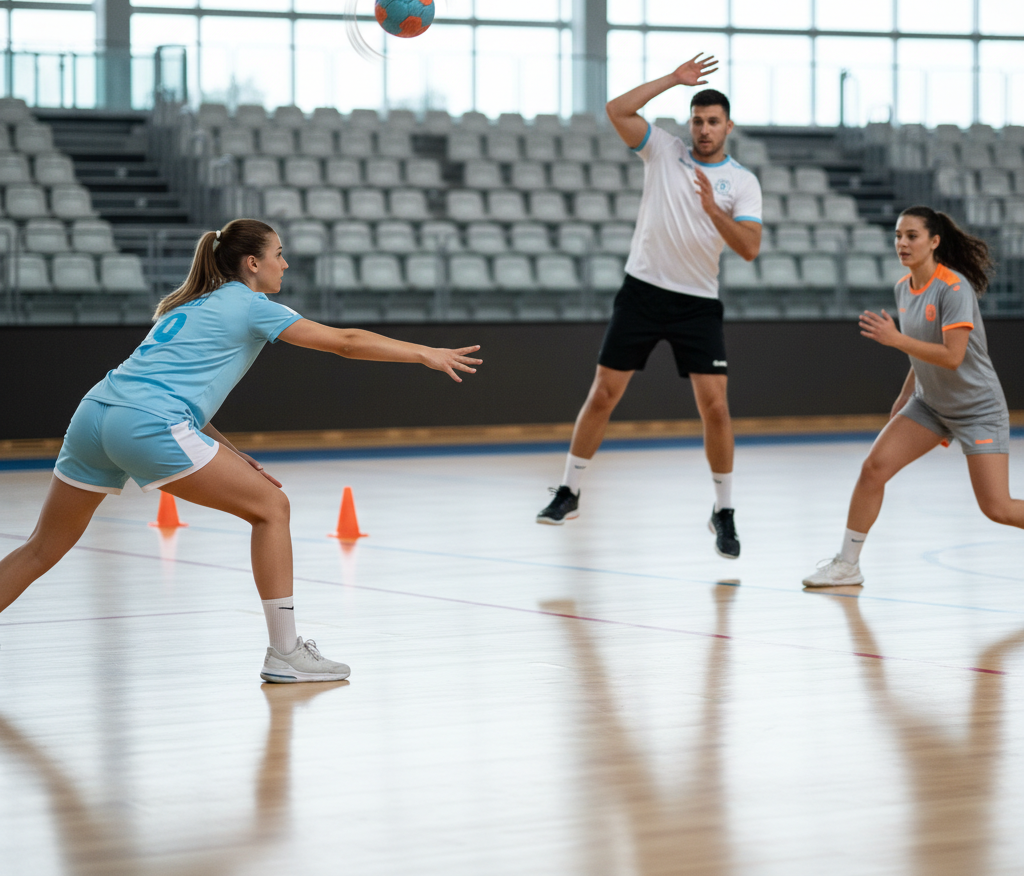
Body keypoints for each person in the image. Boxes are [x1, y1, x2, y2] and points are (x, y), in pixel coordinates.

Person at [0, 219, 482, 681]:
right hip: (148, 423)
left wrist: (227, 451)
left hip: (95, 414)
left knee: (41, 548)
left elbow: (170, 389)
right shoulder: (250, 306)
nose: (285, 264)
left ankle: (287, 653)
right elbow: (346, 343)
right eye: (278, 254)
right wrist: (425, 353)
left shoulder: (186, 307)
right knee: (272, 508)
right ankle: (287, 654)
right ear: (252, 263)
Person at [536, 54, 763, 560]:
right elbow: (617, 110)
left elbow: (749, 248)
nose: (704, 129)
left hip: (698, 303)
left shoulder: (741, 182)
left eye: (713, 122)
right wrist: (672, 80)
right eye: (697, 120)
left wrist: (711, 211)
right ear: (690, 124)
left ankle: (723, 511)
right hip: (642, 291)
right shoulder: (664, 150)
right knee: (603, 394)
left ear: (728, 126)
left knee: (717, 409)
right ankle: (569, 490)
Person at [804, 206, 1023, 587]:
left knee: (998, 508)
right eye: (897, 236)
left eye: (911, 236)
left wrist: (895, 339)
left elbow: (952, 356)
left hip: (977, 409)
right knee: (873, 469)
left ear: (934, 242)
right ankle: (848, 565)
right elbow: (920, 350)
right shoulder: (903, 288)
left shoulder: (954, 288)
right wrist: (904, 398)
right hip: (930, 404)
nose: (901, 244)